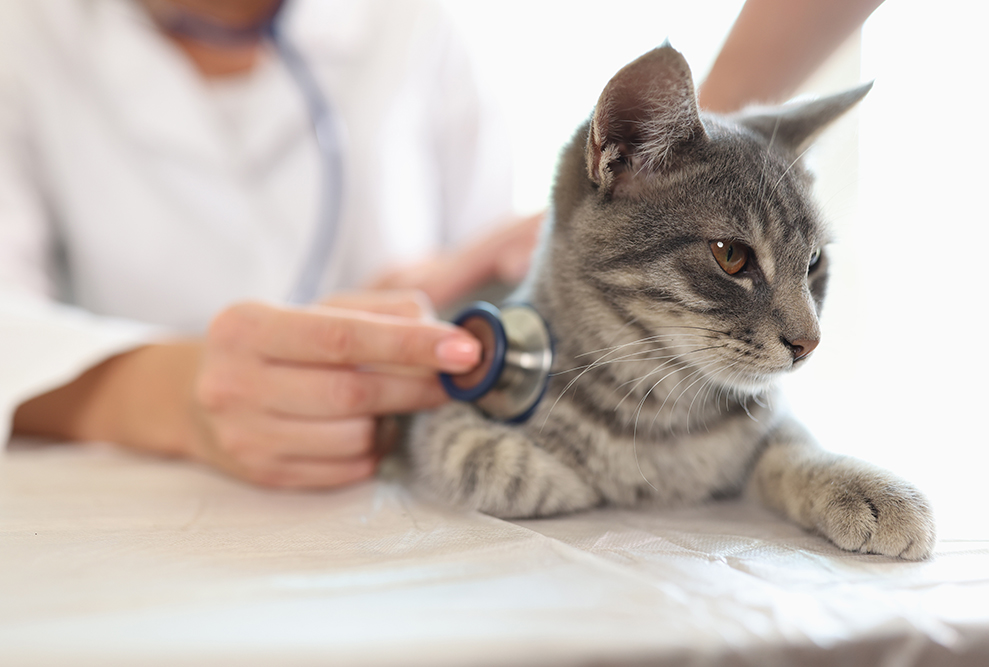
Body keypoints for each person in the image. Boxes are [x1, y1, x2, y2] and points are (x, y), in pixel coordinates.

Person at [1, 0, 882, 490]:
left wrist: (470, 273)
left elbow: (505, 260)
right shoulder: (25, 38)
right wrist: (172, 393)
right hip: (116, 486)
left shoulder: (409, 24)